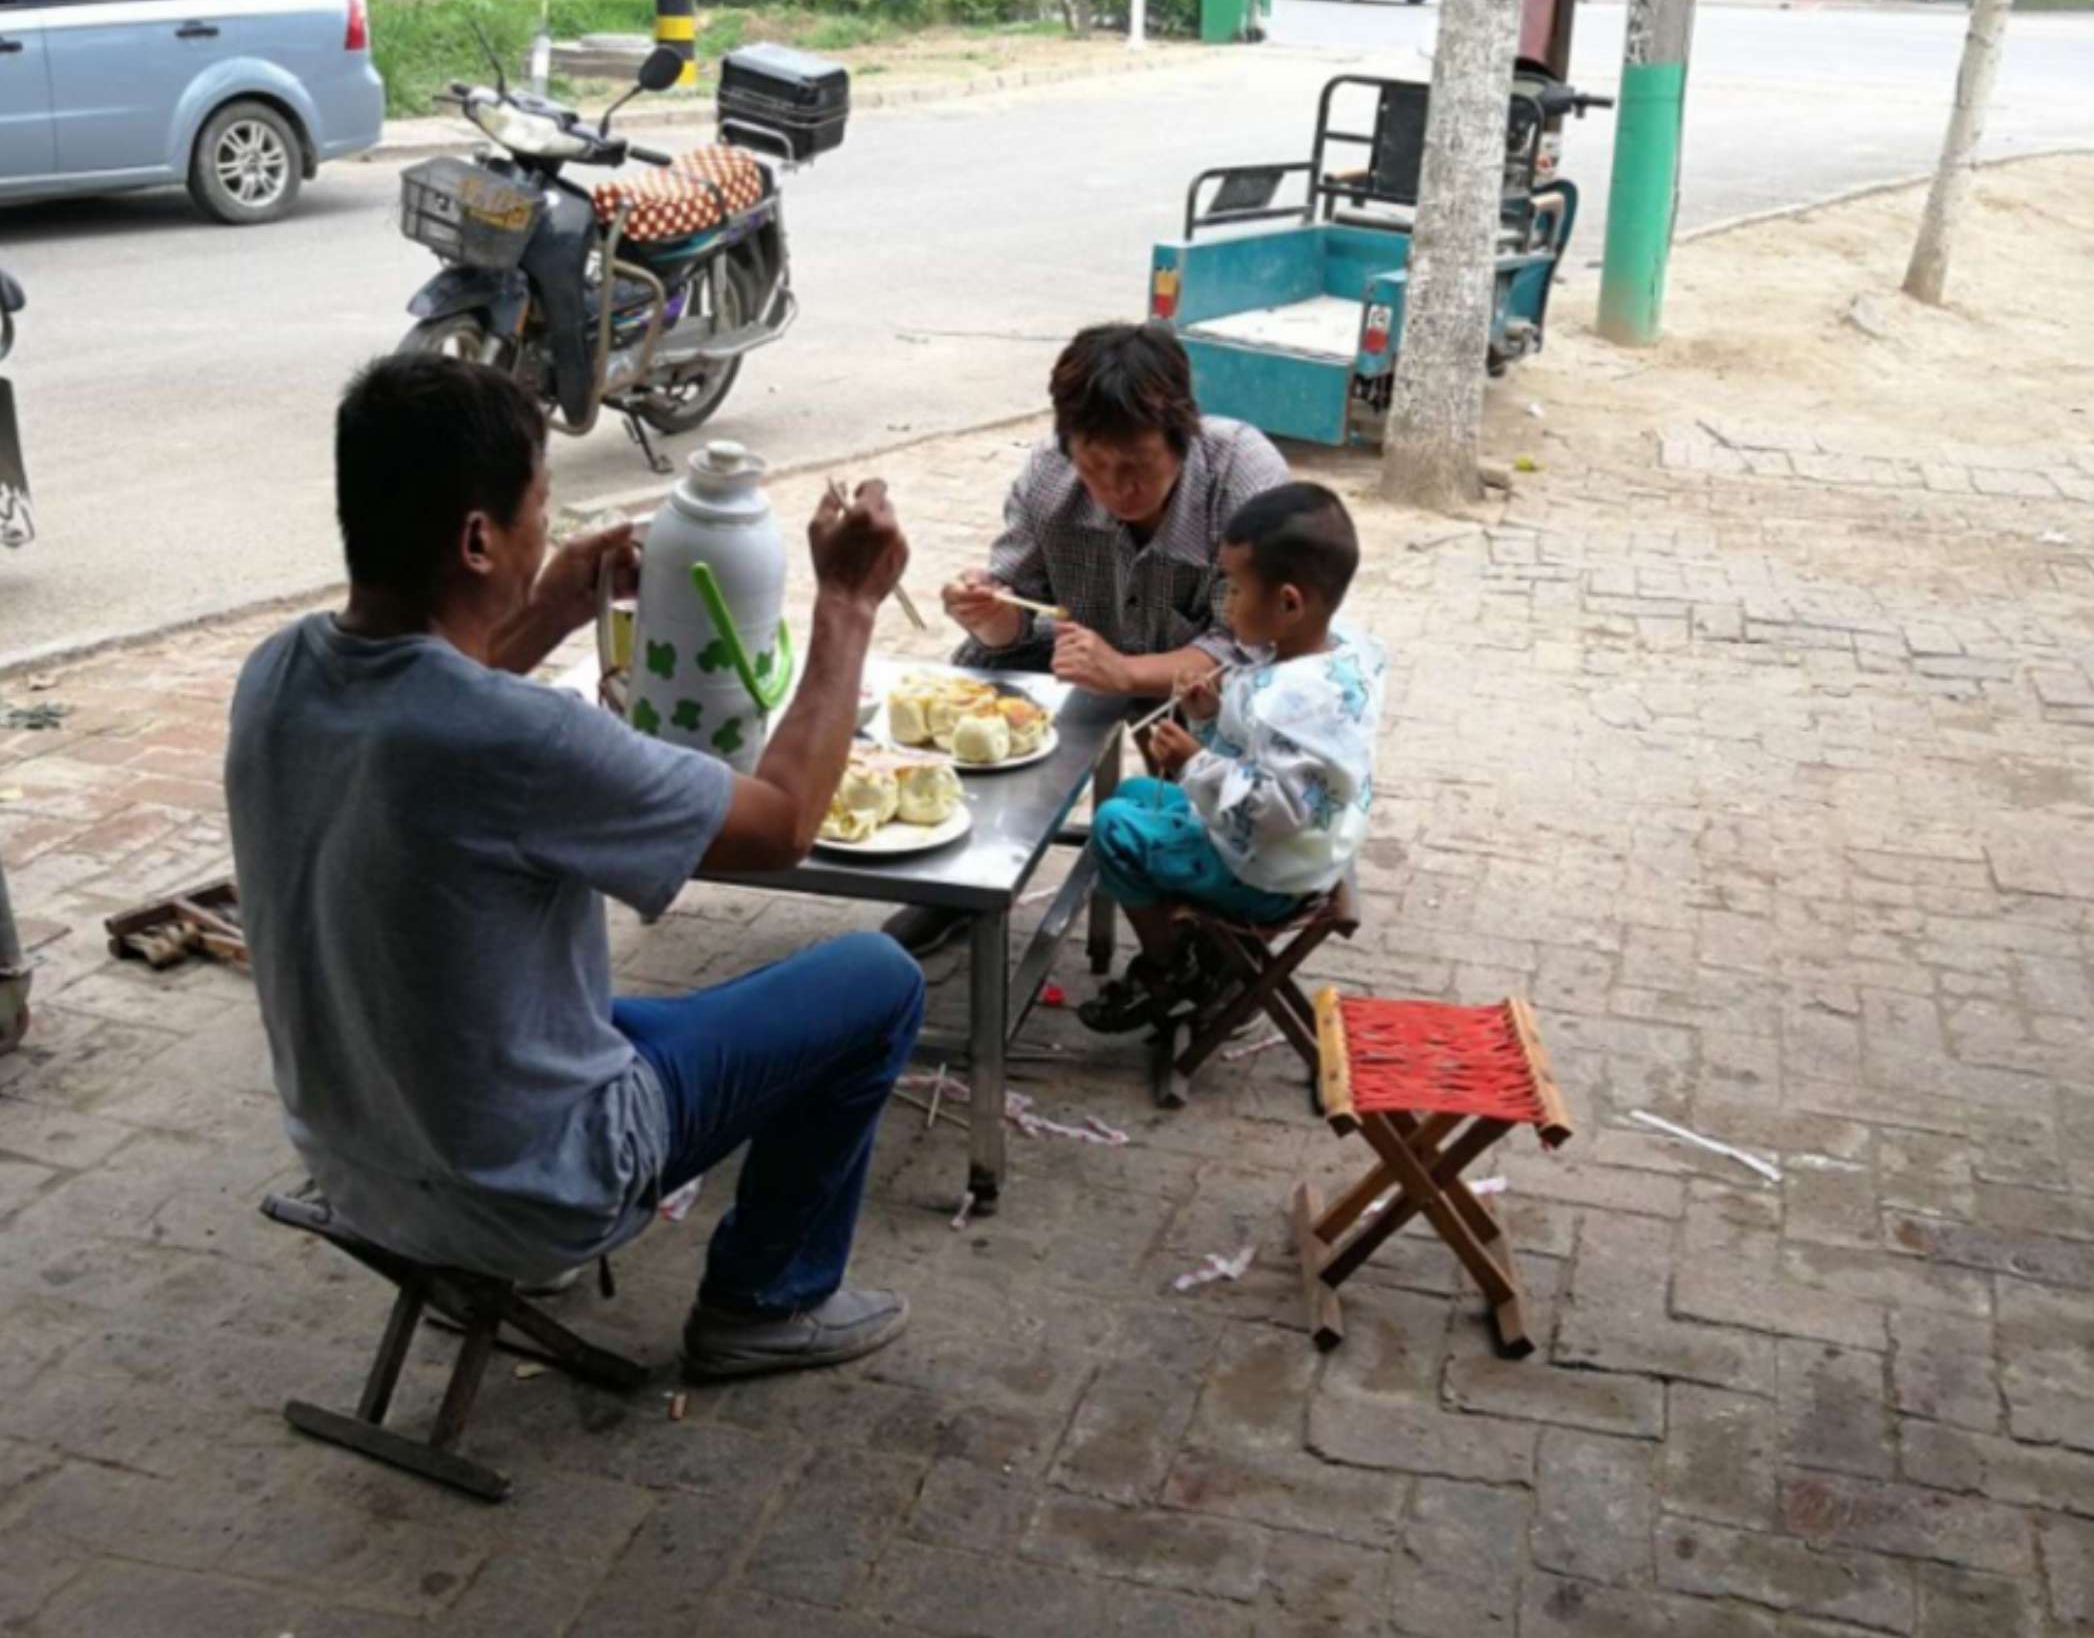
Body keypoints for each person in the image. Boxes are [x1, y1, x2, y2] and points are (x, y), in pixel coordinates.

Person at [226, 354, 922, 1381]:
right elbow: (780, 824)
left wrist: (549, 607)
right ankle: (764, 1299)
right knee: (874, 979)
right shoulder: (520, 738)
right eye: (538, 510)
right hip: (539, 1183)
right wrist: (849, 606)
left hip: (355, 1153)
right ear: (476, 540)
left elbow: (427, 709)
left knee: (640, 1007)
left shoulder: (278, 671)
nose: (545, 530)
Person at [885, 321, 1290, 957]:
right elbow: (1017, 614)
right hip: (1079, 649)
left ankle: (1210, 930)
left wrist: (1127, 673)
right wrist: (986, 613)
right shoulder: (1050, 478)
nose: (1115, 489)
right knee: (972, 692)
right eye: (1095, 466)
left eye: (1137, 467)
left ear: (1182, 436)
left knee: (1240, 739)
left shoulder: (1241, 477)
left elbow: (1254, 645)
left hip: (1204, 677)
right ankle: (956, 886)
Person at [1076, 482, 1388, 1031]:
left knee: (1113, 828)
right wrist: (1210, 716)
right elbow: (1271, 755)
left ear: (1288, 603)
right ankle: (1193, 952)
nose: (1224, 604)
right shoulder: (1340, 650)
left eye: (1236, 589)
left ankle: (1170, 967)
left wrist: (1197, 760)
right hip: (1312, 843)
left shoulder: (1289, 699)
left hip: (1271, 873)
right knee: (1129, 795)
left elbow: (1280, 805)